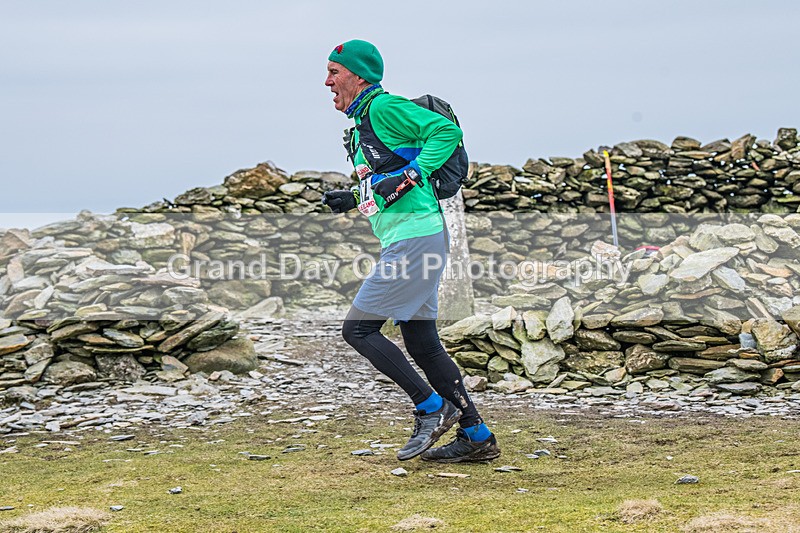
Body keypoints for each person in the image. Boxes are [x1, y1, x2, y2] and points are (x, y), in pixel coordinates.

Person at [322, 39, 500, 463]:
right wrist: (354, 197)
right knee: (422, 343)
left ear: (358, 75)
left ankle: (430, 407)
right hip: (416, 235)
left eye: (334, 71)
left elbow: (444, 132)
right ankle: (476, 435)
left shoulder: (382, 108)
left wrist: (416, 170)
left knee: (358, 330)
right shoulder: (364, 122)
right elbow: (391, 180)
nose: (327, 81)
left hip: (415, 240)